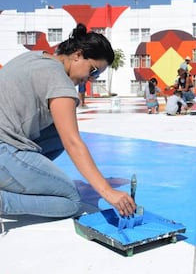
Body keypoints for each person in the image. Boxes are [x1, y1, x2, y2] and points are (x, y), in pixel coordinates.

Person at [0, 23, 136, 226]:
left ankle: (18, 178)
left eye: (96, 75)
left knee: (56, 134)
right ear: (78, 55)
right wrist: (108, 192)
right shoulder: (59, 80)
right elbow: (73, 142)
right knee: (70, 201)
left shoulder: (36, 57)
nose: (89, 79)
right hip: (4, 149)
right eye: (93, 71)